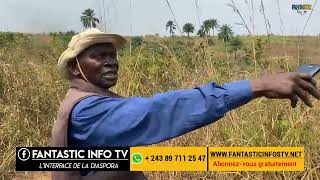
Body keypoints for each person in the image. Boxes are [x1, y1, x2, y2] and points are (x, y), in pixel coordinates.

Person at [52, 28, 320, 180]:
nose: (111, 61)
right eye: (99, 56)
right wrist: (257, 85)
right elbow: (160, 111)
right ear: (76, 68)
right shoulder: (87, 110)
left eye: (112, 55)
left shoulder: (90, 101)